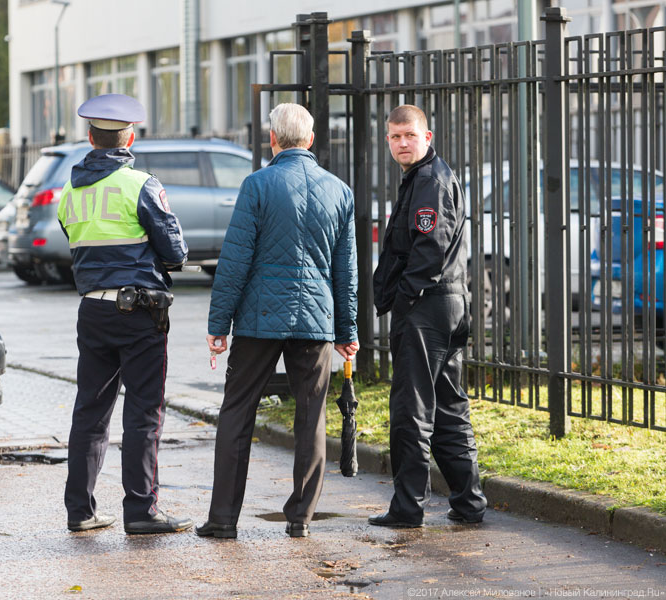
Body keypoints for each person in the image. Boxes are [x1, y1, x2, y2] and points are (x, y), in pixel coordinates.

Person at [195, 103, 359, 540]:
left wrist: (218, 325)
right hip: (317, 321)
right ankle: (300, 518)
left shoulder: (257, 185)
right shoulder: (340, 191)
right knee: (312, 417)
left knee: (237, 413)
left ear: (273, 139)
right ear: (311, 140)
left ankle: (223, 519)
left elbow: (234, 261)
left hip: (258, 320)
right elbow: (346, 272)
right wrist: (348, 331)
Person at [57, 93, 192, 535]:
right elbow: (176, 251)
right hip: (139, 314)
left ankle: (80, 511)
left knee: (89, 412)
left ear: (91, 137)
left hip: (91, 312)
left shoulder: (69, 191)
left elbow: (76, 242)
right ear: (128, 136)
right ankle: (140, 511)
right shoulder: (140, 184)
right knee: (142, 412)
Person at [369, 104, 487, 528]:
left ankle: (407, 508)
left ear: (427, 137)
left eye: (410, 136)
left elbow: (429, 247)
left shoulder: (430, 181)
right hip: (444, 304)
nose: (402, 143)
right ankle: (469, 502)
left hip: (428, 305)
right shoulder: (419, 178)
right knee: (449, 406)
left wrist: (404, 299)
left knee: (411, 408)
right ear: (388, 140)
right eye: (395, 137)